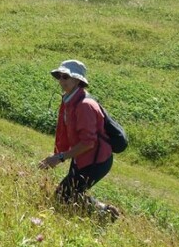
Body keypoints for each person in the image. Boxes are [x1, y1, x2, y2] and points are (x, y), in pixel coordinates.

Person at [39, 59, 119, 219]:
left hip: (96, 161)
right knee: (67, 196)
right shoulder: (70, 100)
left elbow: (88, 143)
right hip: (83, 158)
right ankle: (105, 212)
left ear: (77, 80)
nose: (61, 81)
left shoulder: (84, 105)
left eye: (65, 77)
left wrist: (60, 157)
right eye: (59, 76)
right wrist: (57, 155)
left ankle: (106, 214)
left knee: (63, 197)